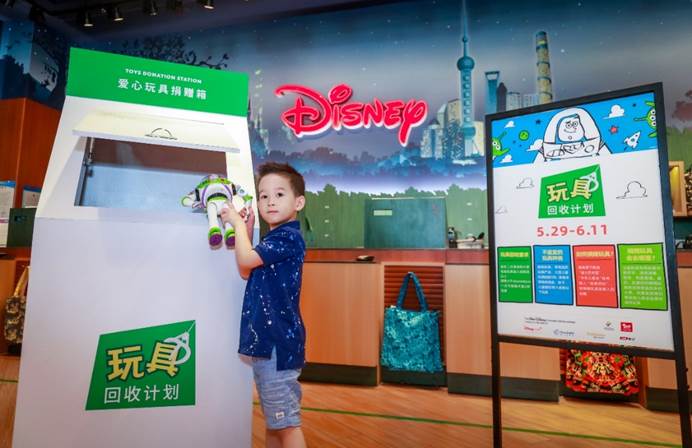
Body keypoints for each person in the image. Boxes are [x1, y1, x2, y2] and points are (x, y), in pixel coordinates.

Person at [221, 162, 307, 448]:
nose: (270, 201)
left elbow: (246, 260)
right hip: (269, 345)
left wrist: (236, 225)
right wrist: (246, 230)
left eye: (279, 195)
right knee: (276, 423)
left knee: (287, 426)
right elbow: (246, 270)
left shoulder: (288, 237)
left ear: (298, 202)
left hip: (276, 345)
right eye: (263, 196)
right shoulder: (274, 239)